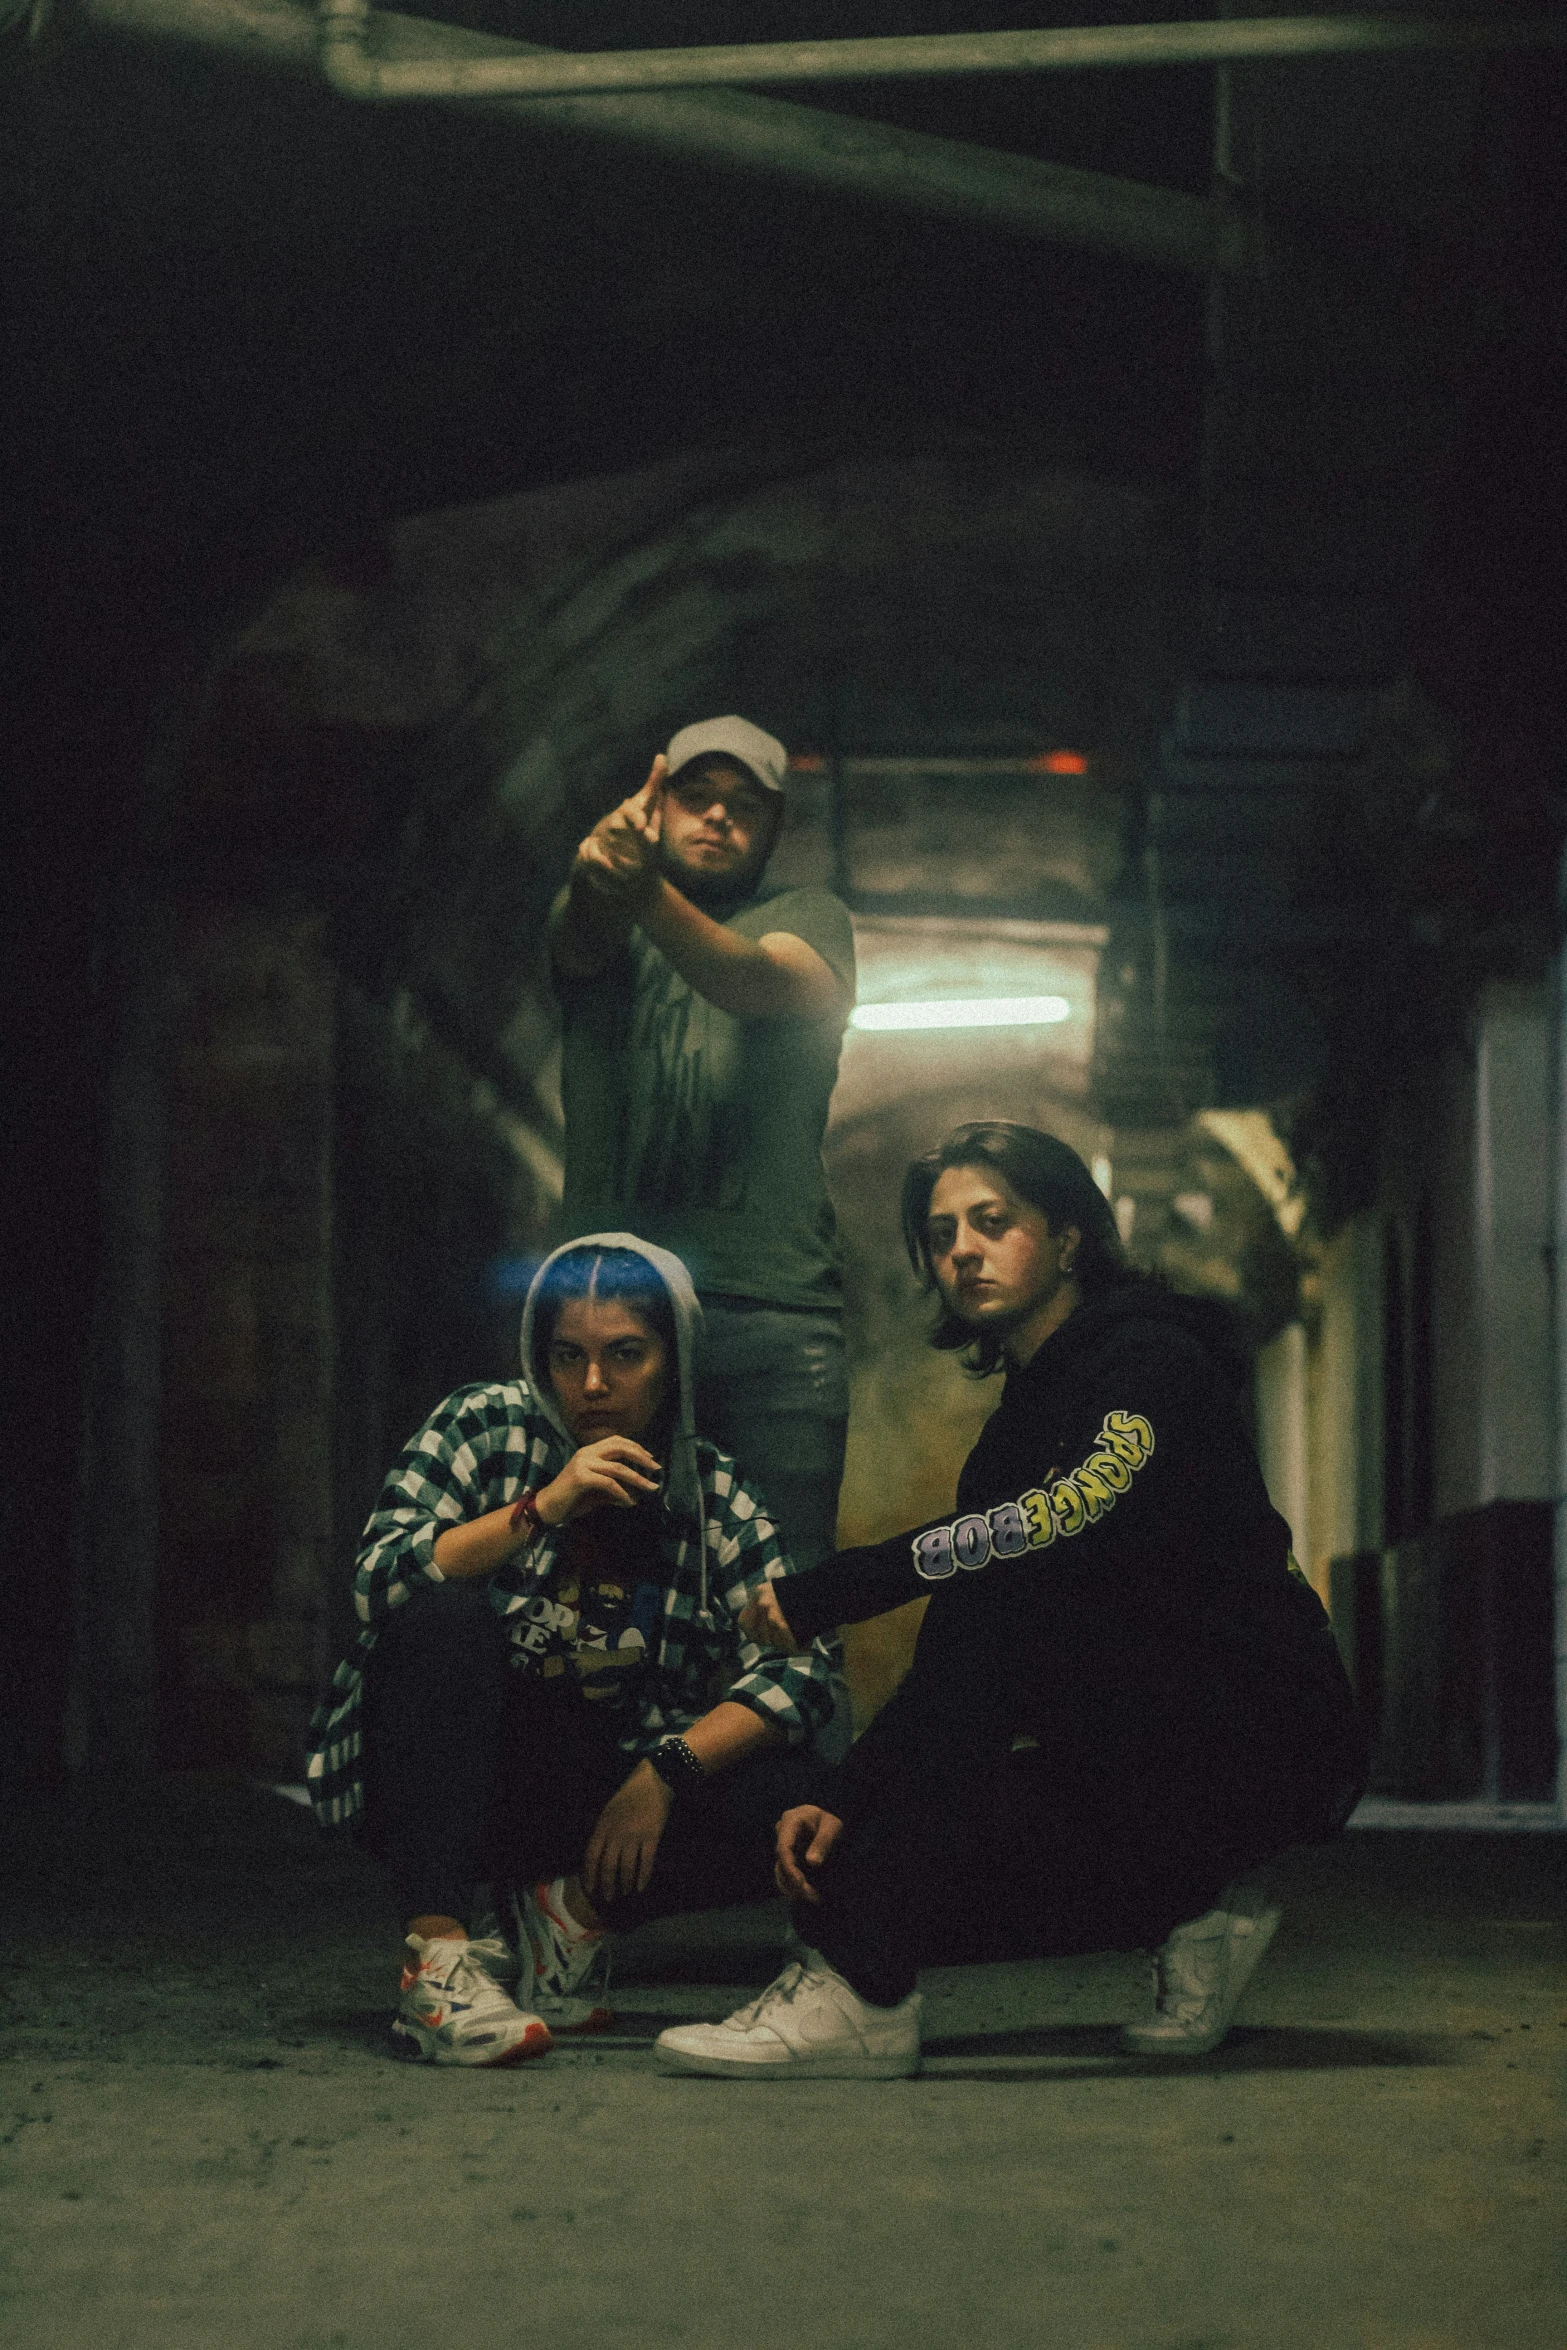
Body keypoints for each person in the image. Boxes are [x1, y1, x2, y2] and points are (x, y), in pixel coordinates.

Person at [654, 1122, 1368, 2080]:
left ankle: (860, 1990)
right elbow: (961, 1645)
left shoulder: (1150, 1362)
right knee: (846, 1852)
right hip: (1132, 1748)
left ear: (1069, 1240)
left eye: (993, 1222)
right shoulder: (1018, 1424)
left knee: (993, 1632)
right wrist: (850, 1793)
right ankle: (1196, 1907)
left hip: (1263, 1740)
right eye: (943, 1233)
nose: (962, 1250)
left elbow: (1061, 1517)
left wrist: (842, 1588)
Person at [305, 1235, 839, 2067]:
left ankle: (566, 1916)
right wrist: (543, 1506)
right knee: (442, 1620)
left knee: (803, 1792)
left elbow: (806, 1670)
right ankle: (437, 1961)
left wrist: (665, 1770)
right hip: (450, 1781)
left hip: (599, 1789)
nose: (593, 1385)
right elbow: (378, 1583)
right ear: (539, 1357)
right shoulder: (483, 1424)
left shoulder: (711, 1492)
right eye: (568, 1356)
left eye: (625, 1354)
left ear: (672, 1361)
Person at [548, 716, 856, 1645]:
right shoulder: (604, 919)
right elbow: (584, 928)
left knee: (783, 1604)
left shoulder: (811, 919)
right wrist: (606, 871)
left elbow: (756, 982)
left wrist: (641, 887)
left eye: (744, 807)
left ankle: (791, 1795)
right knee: (601, 1607)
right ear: (659, 803)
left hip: (771, 1316)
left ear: (772, 830)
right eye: (696, 797)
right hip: (613, 1324)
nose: (718, 819)